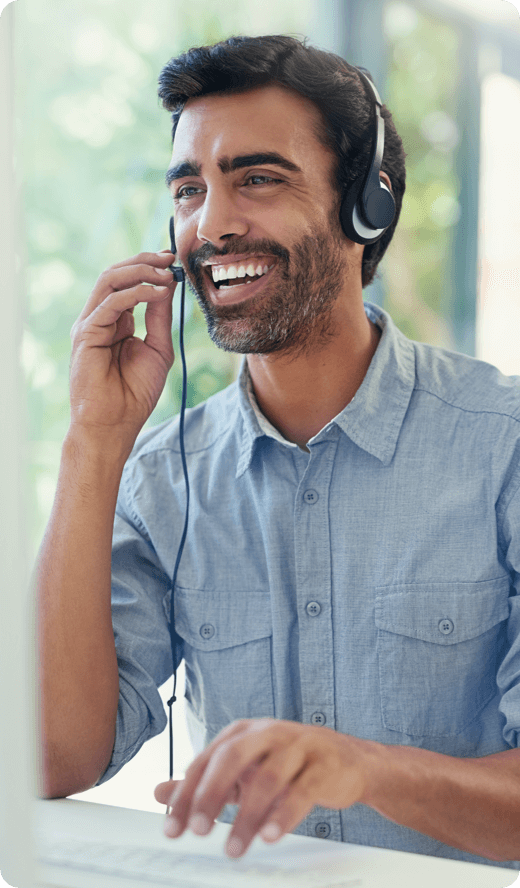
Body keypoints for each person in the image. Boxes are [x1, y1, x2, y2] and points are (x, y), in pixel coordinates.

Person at [36, 35, 520, 869]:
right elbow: (50, 757)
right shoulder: (161, 477)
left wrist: (366, 770)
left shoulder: (500, 445)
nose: (212, 225)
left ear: (367, 205)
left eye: (257, 178)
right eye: (190, 189)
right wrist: (94, 439)